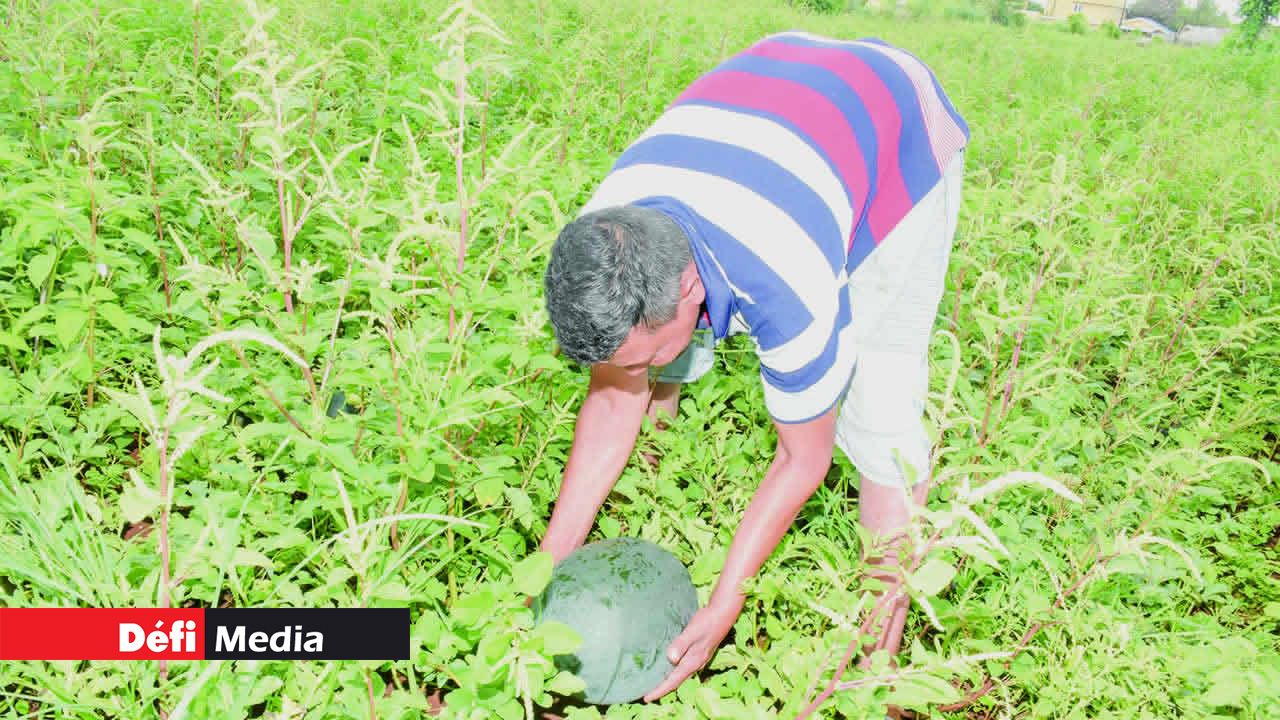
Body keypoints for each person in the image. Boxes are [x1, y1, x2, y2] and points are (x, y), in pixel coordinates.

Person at [538, 29, 969, 705]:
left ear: (687, 289)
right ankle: (658, 496)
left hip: (898, 124)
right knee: (645, 373)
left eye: (647, 356)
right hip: (780, 87)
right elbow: (614, 397)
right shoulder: (604, 233)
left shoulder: (786, 280)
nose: (639, 371)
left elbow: (803, 460)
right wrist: (543, 569)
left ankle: (878, 661)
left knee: (881, 402)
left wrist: (725, 599)